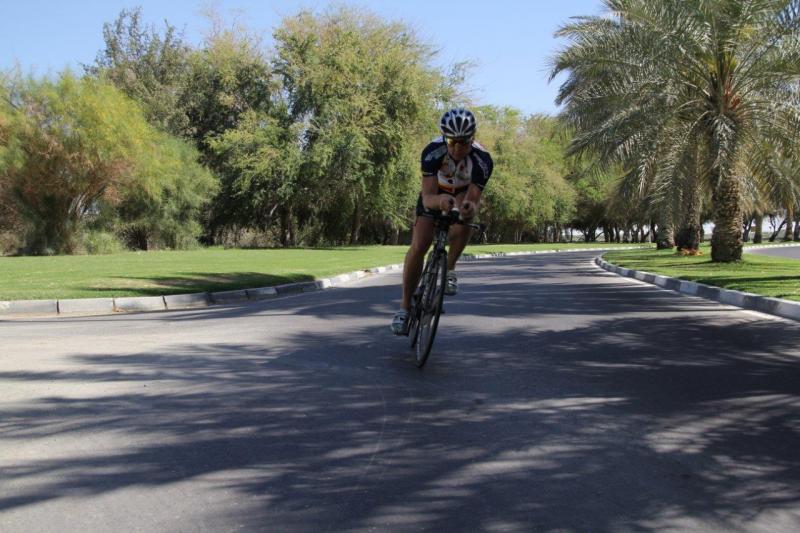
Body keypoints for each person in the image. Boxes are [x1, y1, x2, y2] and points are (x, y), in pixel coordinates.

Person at [391, 107, 494, 335]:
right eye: (451, 141)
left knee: (466, 216)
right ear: (444, 138)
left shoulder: (483, 160)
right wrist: (440, 201)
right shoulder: (432, 152)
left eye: (463, 142)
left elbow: (474, 199)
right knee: (420, 245)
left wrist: (469, 207)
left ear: (472, 139)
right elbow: (427, 197)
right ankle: (404, 307)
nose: (457, 148)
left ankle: (450, 267)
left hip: (462, 192)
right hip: (436, 193)